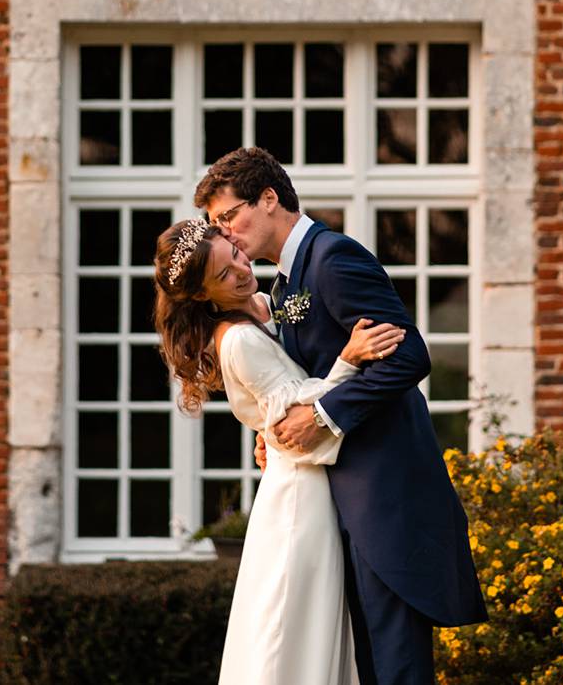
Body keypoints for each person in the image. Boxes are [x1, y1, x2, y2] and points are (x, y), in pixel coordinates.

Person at [194, 147, 486, 685]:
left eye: (228, 217)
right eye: (216, 224)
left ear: (268, 198)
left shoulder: (333, 257)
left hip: (383, 494)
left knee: (396, 665)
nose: (226, 233)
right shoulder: (283, 281)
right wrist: (275, 430)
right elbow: (295, 377)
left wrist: (322, 416)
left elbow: (410, 355)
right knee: (366, 664)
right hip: (333, 499)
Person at [153, 217, 405, 685]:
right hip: (298, 499)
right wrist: (349, 360)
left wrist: (265, 430)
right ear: (204, 296)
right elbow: (299, 419)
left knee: (318, 627)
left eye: (236, 255)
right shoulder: (240, 340)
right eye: (226, 275)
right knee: (289, 631)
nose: (243, 271)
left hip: (317, 486)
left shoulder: (264, 305)